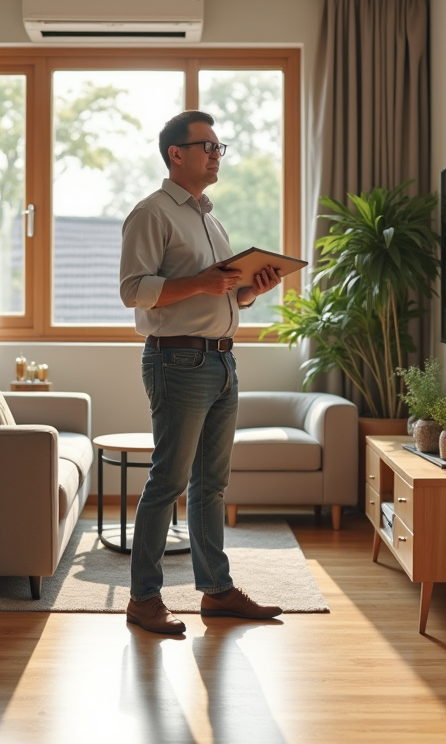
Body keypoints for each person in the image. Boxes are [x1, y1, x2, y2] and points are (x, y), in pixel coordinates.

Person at [118, 110, 284, 635]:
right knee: (167, 482)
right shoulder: (152, 213)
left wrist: (252, 289)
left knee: (212, 485)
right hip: (178, 360)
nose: (216, 154)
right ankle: (144, 599)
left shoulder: (210, 218)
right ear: (176, 154)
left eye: (219, 147)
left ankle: (216, 590)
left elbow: (220, 291)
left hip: (222, 359)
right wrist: (201, 283)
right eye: (207, 146)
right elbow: (134, 290)